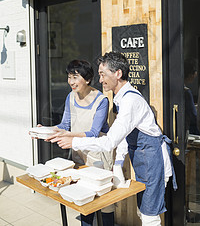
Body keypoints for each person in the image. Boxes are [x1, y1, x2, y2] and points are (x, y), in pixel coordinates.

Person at [47, 52, 177, 226]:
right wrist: (118, 164)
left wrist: (74, 142)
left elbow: (109, 141)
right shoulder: (121, 97)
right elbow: (123, 136)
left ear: (118, 74)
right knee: (143, 211)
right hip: (144, 159)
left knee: (149, 216)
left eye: (102, 74)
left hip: (152, 160)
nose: (100, 80)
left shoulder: (130, 100)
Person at [39, 59, 114, 226]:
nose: (70, 82)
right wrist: (45, 129)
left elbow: (94, 133)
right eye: (69, 77)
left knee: (104, 203)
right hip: (78, 154)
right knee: (83, 200)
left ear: (87, 79)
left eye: (75, 77)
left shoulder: (101, 100)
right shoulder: (70, 97)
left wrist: (68, 135)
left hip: (98, 156)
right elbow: (64, 125)